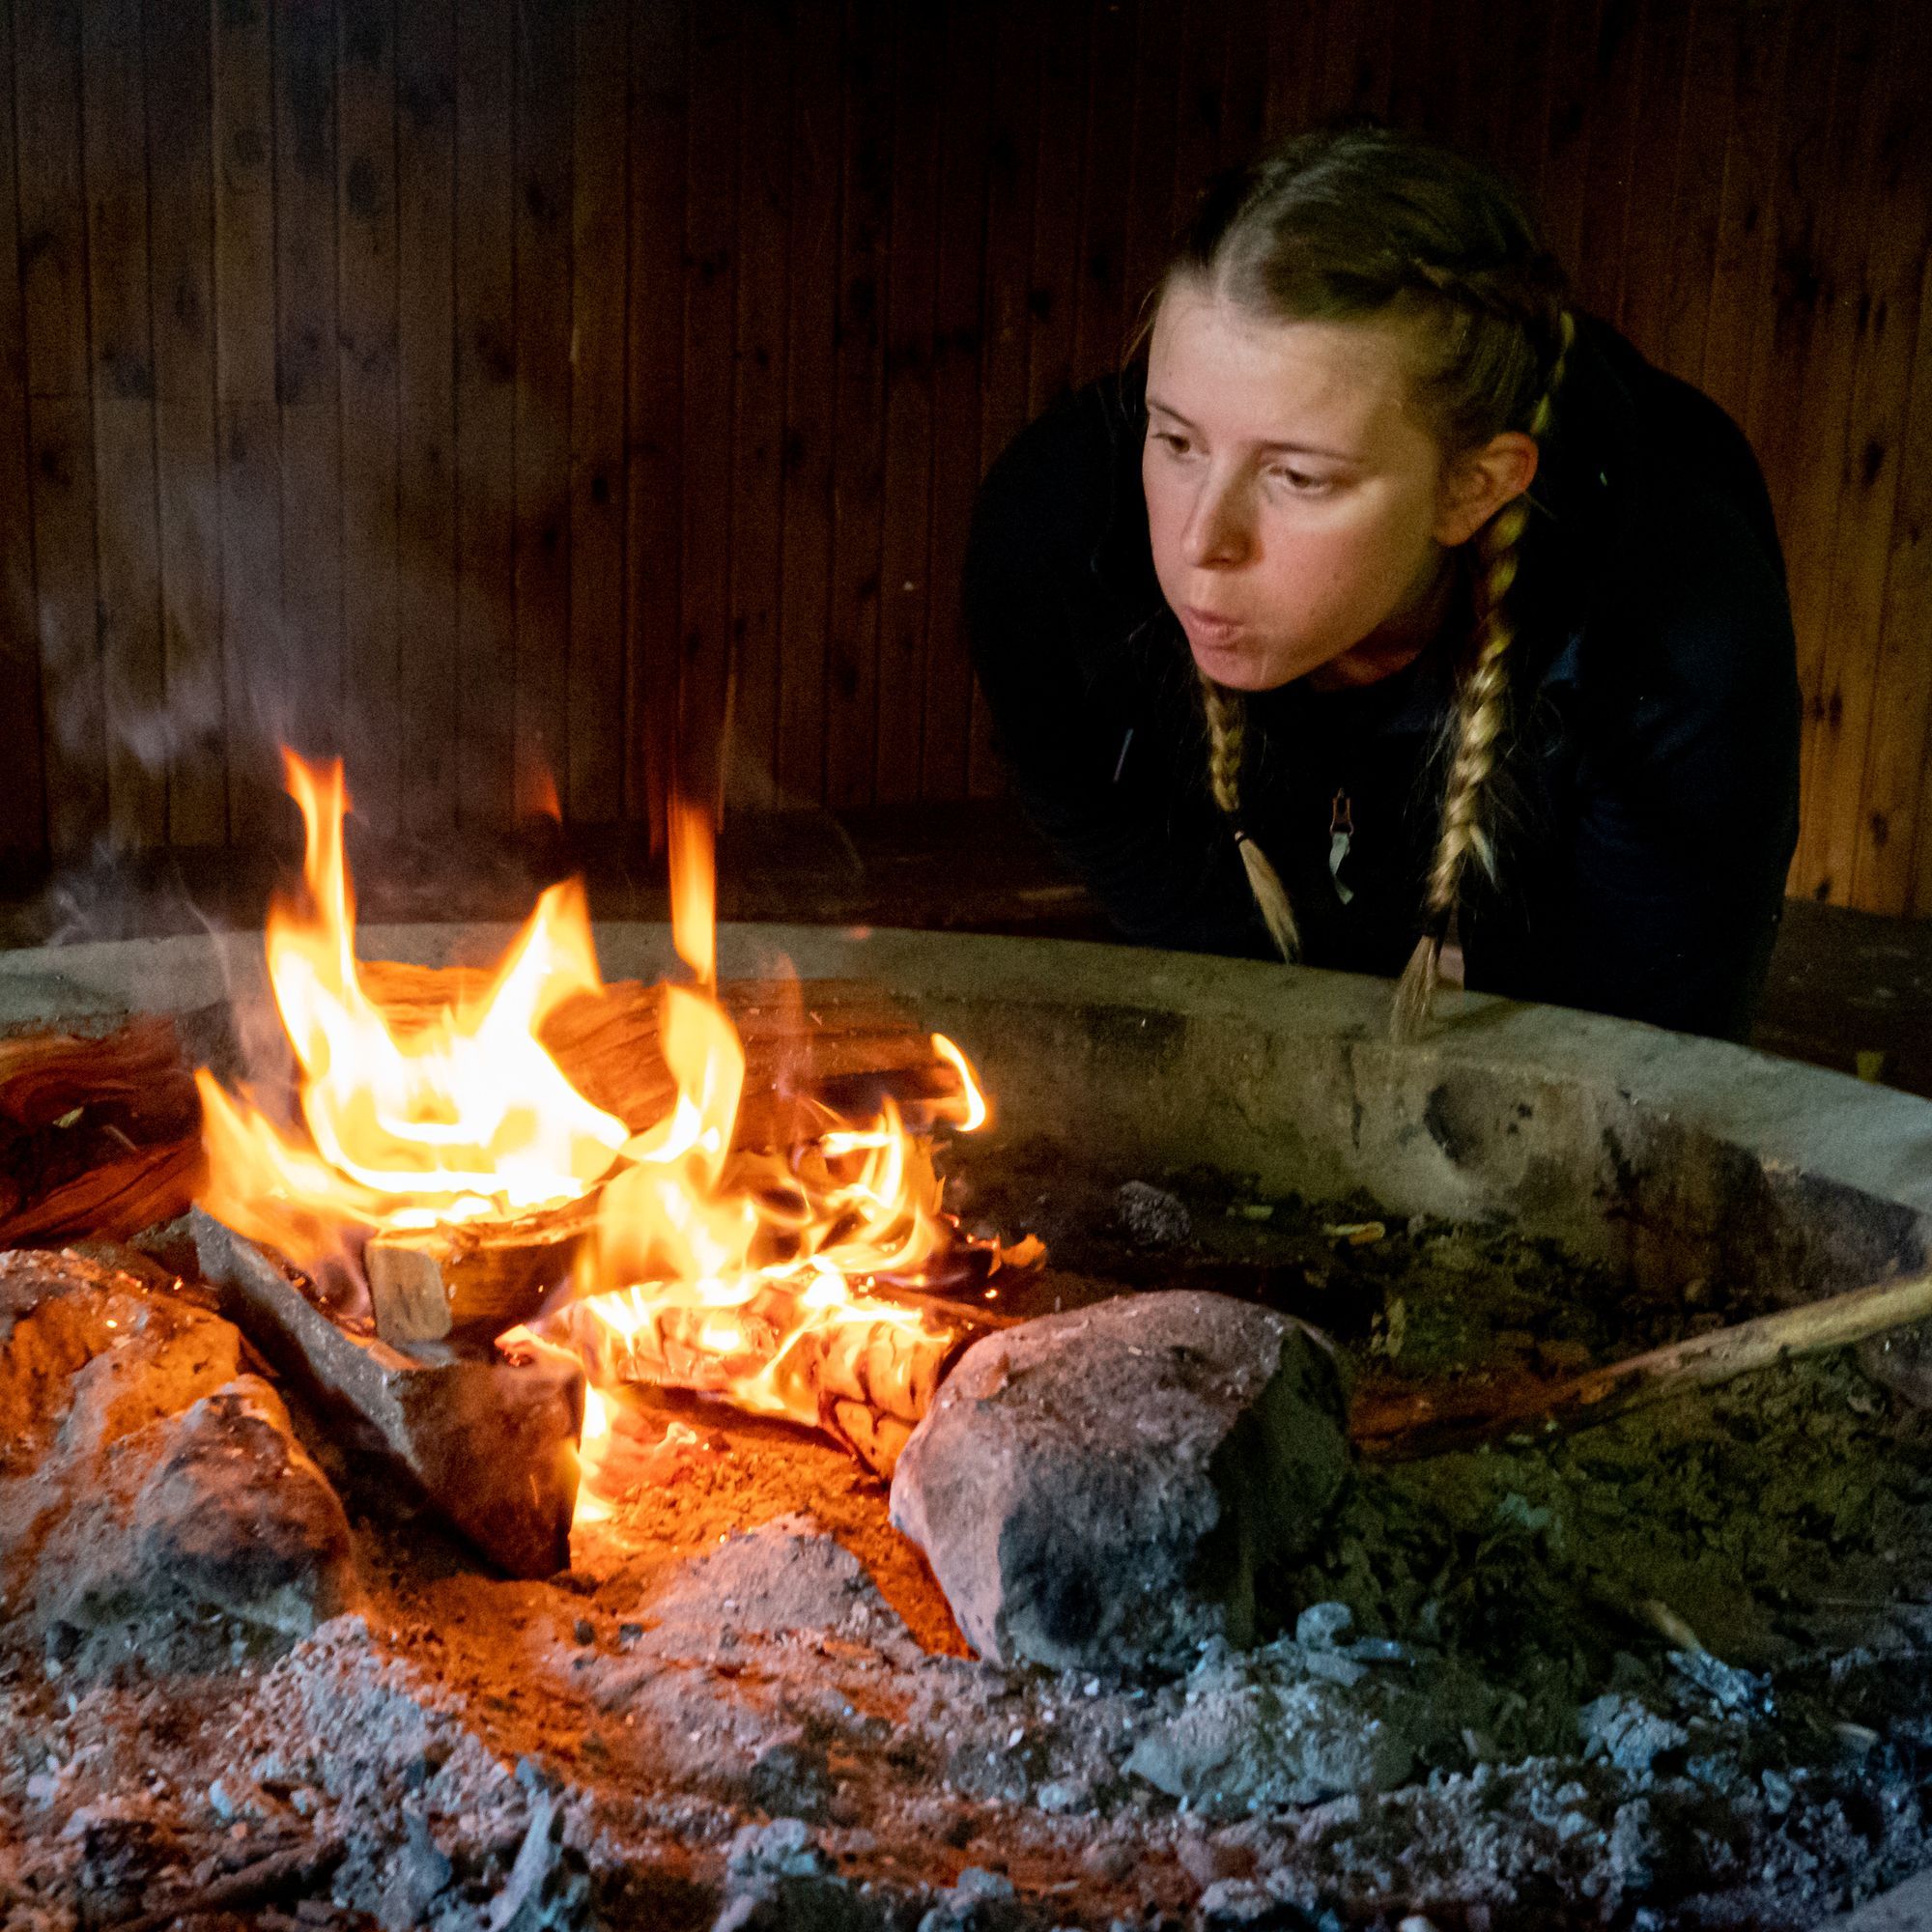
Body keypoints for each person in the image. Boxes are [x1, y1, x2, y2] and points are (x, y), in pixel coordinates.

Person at [963, 126, 1801, 1041]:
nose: (1202, 541)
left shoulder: (1675, 629)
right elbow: (1090, 806)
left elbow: (1652, 1054)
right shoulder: (1057, 528)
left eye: (1299, 477)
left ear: (1473, 489)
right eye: (1176, 441)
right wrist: (1264, 1010)